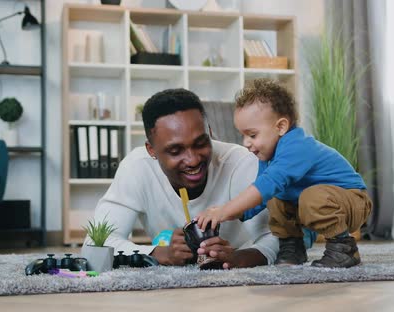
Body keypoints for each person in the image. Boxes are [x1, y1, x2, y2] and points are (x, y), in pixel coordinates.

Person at [84, 88, 278, 269]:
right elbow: (96, 243)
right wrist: (158, 253)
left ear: (210, 132)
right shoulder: (137, 168)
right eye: (175, 151)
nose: (193, 160)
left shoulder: (240, 163)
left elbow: (279, 238)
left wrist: (236, 258)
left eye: (201, 143)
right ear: (151, 150)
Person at [196, 78, 373, 268]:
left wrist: (226, 210)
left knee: (309, 196)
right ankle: (292, 247)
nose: (246, 142)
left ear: (281, 127)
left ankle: (344, 248)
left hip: (353, 201)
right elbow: (262, 196)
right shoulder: (269, 156)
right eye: (243, 135)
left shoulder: (297, 146)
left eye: (252, 135)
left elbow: (266, 185)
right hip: (321, 202)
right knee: (276, 198)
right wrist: (230, 213)